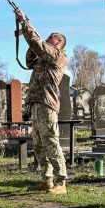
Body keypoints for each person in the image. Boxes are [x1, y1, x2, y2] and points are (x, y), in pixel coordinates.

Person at [16, 10, 70, 195]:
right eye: (47, 37)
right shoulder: (43, 57)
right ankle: (46, 179)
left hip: (47, 104)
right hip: (36, 102)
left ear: (59, 45)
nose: (48, 39)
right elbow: (30, 58)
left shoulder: (58, 56)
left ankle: (61, 181)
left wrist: (26, 25)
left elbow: (38, 46)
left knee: (51, 142)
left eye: (52, 39)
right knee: (38, 144)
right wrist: (30, 35)